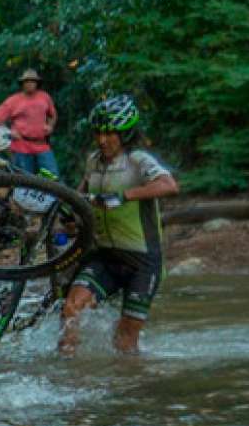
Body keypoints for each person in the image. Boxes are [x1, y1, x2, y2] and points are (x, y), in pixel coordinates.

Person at [58, 95, 180, 356]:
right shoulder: (93, 161)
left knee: (124, 343)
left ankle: (129, 387)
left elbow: (169, 185)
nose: (103, 140)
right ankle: (64, 374)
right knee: (71, 310)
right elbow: (82, 190)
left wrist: (124, 196)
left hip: (143, 262)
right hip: (105, 256)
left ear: (125, 134)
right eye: (99, 133)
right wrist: (69, 213)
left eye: (111, 133)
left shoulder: (138, 160)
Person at [0, 68, 59, 177]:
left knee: (52, 177)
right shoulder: (14, 100)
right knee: (24, 180)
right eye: (27, 81)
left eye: (32, 81)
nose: (30, 83)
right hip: (22, 146)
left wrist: (50, 126)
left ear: (37, 83)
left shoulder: (44, 97)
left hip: (42, 144)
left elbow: (53, 114)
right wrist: (9, 132)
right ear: (22, 83)